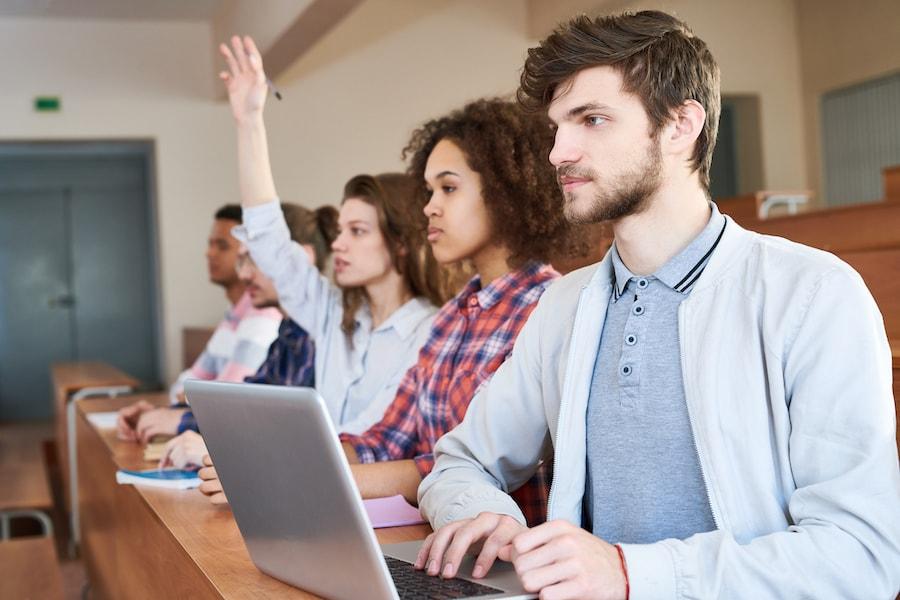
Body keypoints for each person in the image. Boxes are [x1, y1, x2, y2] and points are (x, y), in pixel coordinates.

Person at [415, 10, 900, 599]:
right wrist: (483, 512)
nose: (558, 153)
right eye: (556, 128)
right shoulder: (564, 305)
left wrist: (629, 573)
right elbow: (460, 461)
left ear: (679, 126)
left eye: (591, 120)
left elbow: (861, 558)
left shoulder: (813, 294)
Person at [198, 98, 582, 523]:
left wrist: (286, 473)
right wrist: (279, 464)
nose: (430, 207)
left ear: (508, 194)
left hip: (509, 558)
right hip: (437, 541)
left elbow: (470, 469)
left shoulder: (548, 307)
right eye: (429, 191)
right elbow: (389, 437)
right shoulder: (453, 317)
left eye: (448, 189)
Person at [218, 36, 446, 437]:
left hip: (378, 496)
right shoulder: (333, 313)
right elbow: (268, 235)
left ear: (402, 243)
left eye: (357, 232)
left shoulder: (429, 331)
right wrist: (248, 120)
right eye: (341, 230)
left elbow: (368, 436)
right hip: (318, 484)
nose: (338, 244)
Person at [160, 203, 338, 469]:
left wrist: (196, 434)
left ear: (301, 259)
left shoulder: (316, 338)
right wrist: (177, 418)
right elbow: (246, 403)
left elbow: (282, 433)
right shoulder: (288, 335)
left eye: (255, 260)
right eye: (243, 261)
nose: (243, 274)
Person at [116, 205, 281, 443]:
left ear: (250, 254)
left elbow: (226, 400)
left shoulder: (264, 316)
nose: (209, 253)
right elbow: (187, 384)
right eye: (210, 244)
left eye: (222, 246)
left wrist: (187, 400)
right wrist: (158, 410)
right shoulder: (233, 315)